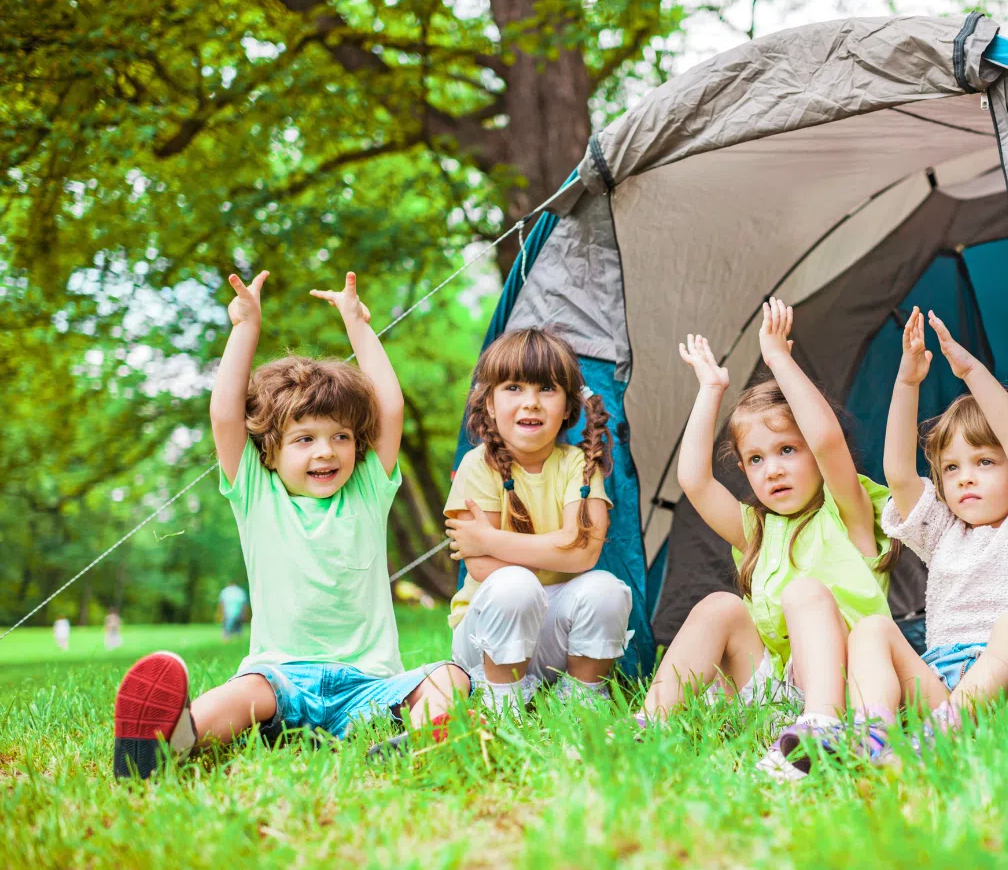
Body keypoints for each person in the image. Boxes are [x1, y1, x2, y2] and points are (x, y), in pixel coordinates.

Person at [111, 270, 470, 780]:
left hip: (369, 684)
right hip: (279, 679)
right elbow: (224, 417)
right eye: (304, 439)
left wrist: (358, 325)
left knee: (449, 677)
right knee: (237, 696)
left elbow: (389, 407)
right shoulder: (257, 495)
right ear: (270, 451)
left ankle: (417, 740)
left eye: (341, 436)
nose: (326, 451)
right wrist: (245, 330)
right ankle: (165, 746)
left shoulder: (367, 491)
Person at [640, 298, 899, 780]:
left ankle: (820, 730)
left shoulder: (849, 512)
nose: (773, 467)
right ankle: (651, 722)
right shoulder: (758, 530)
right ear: (743, 470)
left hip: (846, 689)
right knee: (720, 605)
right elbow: (695, 483)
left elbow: (827, 441)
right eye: (756, 460)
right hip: (780, 695)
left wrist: (778, 358)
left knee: (805, 592)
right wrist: (711, 390)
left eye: (786, 450)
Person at [844, 308, 1008, 757]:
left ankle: (941, 733)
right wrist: (907, 383)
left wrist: (970, 371)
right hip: (943, 686)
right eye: (952, 468)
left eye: (984, 462)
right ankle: (873, 737)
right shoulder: (944, 533)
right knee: (871, 628)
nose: (965, 478)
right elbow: (898, 473)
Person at [443, 327, 631, 714]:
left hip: (551, 636)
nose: (531, 403)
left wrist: (490, 539)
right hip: (484, 638)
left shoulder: (579, 464)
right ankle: (502, 702)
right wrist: (557, 547)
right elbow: (481, 565)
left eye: (547, 389)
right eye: (514, 388)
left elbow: (583, 554)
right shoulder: (477, 465)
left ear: (567, 407)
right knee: (515, 583)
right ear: (490, 403)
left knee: (606, 589)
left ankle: (582, 700)